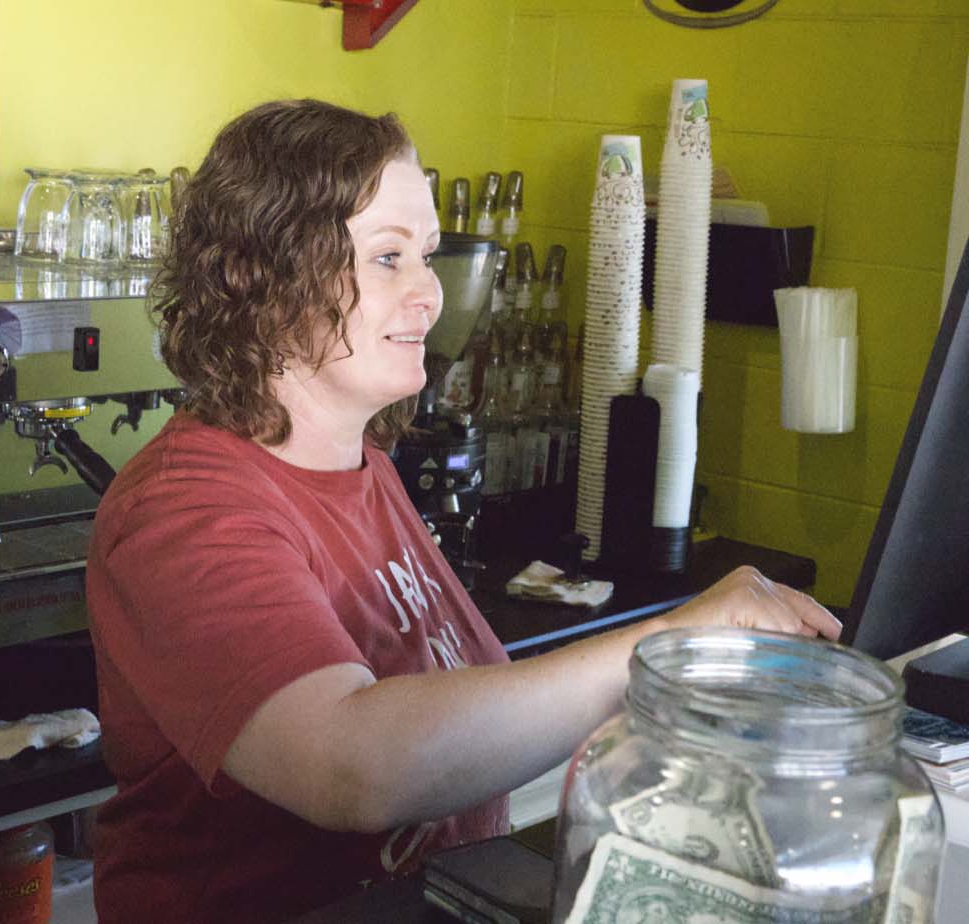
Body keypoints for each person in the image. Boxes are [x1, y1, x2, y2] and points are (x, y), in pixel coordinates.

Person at [85, 99, 840, 923]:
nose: (429, 295)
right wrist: (661, 646)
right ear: (258, 277)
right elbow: (351, 766)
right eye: (387, 259)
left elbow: (473, 720)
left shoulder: (361, 464)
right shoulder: (186, 510)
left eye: (429, 257)